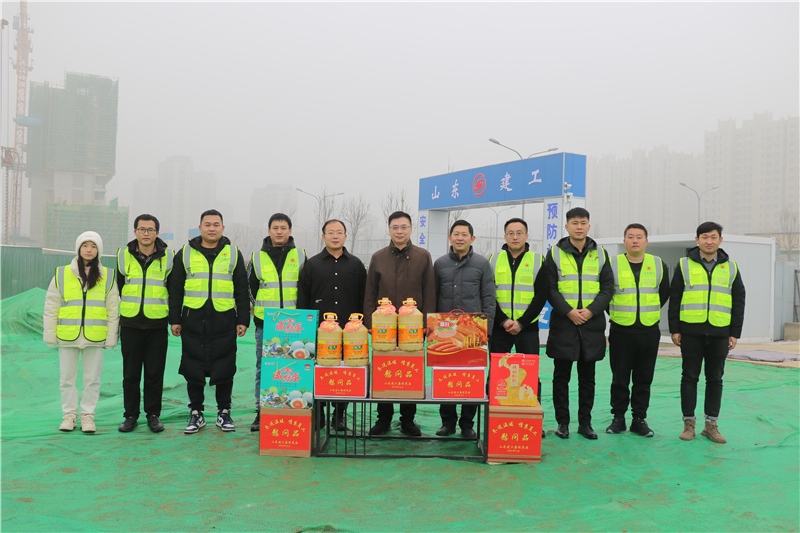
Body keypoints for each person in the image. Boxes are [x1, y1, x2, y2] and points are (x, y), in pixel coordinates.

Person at [168, 209, 250, 434]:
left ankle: (224, 412)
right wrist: (175, 319)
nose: (211, 228)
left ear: (222, 228)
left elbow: (242, 289)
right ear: (200, 227)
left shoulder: (233, 253)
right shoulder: (185, 253)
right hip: (193, 321)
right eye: (207, 224)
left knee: (225, 367)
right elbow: (175, 289)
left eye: (216, 224)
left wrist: (243, 319)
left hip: (224, 320)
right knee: (193, 367)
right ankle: (196, 413)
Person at [669, 221, 745, 444]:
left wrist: (734, 332)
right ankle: (689, 424)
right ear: (697, 240)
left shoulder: (731, 267)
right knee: (689, 377)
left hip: (720, 332)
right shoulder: (684, 265)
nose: (709, 241)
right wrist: (675, 329)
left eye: (713, 237)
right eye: (704, 237)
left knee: (715, 379)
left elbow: (738, 301)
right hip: (690, 331)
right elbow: (675, 298)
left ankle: (711, 425)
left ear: (720, 240)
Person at [543, 207, 613, 440]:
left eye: (583, 223)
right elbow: (550, 288)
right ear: (567, 227)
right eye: (574, 223)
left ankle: (585, 423)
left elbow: (607, 288)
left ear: (589, 225)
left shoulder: (600, 253)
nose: (579, 227)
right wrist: (569, 312)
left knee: (587, 379)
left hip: (591, 326)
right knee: (561, 378)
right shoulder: (554, 254)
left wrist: (591, 311)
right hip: (564, 325)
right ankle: (562, 423)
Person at [364, 211, 436, 437]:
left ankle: (408, 420)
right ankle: (383, 419)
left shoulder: (423, 256)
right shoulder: (378, 257)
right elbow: (370, 292)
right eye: (395, 227)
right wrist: (370, 322)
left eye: (404, 227)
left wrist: (426, 323)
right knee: (384, 368)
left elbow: (429, 292)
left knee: (409, 369)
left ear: (411, 229)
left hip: (412, 326)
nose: (399, 231)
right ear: (389, 230)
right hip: (384, 325)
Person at [43, 232, 120, 433]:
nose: (89, 250)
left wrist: (111, 338)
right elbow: (51, 307)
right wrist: (50, 335)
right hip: (67, 335)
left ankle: (88, 416)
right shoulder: (61, 273)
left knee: (92, 379)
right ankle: (69, 415)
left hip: (95, 336)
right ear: (78, 248)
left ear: (98, 250)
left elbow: (113, 310)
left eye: (93, 246)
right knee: (66, 379)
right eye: (85, 245)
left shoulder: (108, 276)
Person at [297, 219, 366, 432]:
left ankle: (339, 415)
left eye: (339, 232)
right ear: (323, 236)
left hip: (348, 330)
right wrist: (305, 327)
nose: (335, 236)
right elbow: (303, 298)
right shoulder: (312, 264)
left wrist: (360, 325)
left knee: (343, 373)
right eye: (330, 232)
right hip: (320, 331)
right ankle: (319, 413)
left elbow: (363, 297)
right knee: (318, 370)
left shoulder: (356, 265)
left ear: (345, 236)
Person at [605, 223, 670, 438]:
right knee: (620, 378)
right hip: (621, 330)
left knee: (644, 378)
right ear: (624, 241)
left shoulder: (658, 264)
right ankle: (618, 418)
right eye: (631, 237)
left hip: (649, 331)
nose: (635, 241)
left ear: (646, 241)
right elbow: (605, 295)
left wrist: (645, 313)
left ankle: (639, 419)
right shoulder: (612, 264)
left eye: (639, 237)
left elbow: (663, 293)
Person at [433, 220, 496, 439]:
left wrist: (487, 329)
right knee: (445, 374)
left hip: (474, 330)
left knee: (473, 376)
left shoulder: (482, 264)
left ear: (472, 238)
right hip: (444, 330)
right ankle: (447, 423)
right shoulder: (440, 264)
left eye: (464, 234)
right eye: (456, 234)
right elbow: (433, 296)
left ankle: (467, 424)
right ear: (450, 237)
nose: (460, 238)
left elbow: (489, 297)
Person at [247, 213, 305, 432]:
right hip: (266, 324)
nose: (279, 231)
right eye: (275, 228)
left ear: (290, 230)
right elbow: (250, 288)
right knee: (265, 369)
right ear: (269, 230)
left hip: (295, 325)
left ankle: (295, 409)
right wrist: (262, 311)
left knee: (296, 369)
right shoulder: (257, 257)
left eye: (283, 228)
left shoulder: (301, 256)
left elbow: (306, 287)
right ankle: (262, 411)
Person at [116, 214, 173, 433]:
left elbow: (173, 290)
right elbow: (119, 287)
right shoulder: (123, 256)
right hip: (130, 324)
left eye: (150, 230)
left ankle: (153, 415)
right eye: (142, 229)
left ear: (157, 233)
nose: (146, 233)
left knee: (154, 373)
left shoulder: (168, 257)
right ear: (135, 232)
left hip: (157, 325)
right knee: (130, 374)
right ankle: (130, 415)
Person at [488, 218, 548, 421]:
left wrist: (522, 323)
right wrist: (503, 320)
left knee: (530, 375)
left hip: (527, 329)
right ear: (505, 236)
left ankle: (532, 419)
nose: (515, 237)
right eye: (511, 233)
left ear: (527, 236)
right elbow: (489, 294)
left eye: (519, 233)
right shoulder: (493, 259)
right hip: (500, 328)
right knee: (496, 374)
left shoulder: (538, 260)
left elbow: (541, 296)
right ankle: (494, 418)